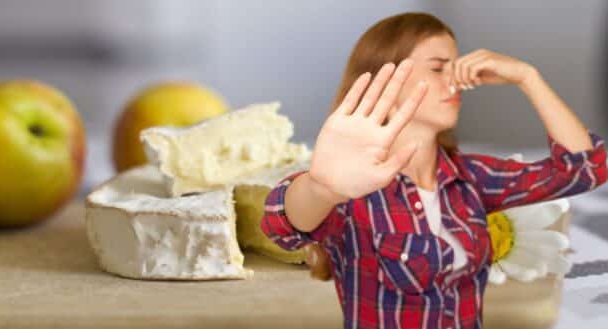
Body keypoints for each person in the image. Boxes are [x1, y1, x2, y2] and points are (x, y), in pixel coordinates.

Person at [260, 11, 608, 329]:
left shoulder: (469, 178)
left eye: (456, 68)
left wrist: (528, 77)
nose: (455, 82)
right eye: (439, 68)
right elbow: (282, 226)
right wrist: (323, 189)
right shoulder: (353, 190)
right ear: (386, 78)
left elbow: (586, 170)